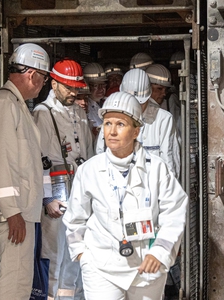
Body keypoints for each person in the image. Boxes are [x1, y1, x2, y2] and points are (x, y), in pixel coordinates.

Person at [63, 91, 188, 300]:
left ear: (136, 131)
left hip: (146, 267)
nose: (111, 131)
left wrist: (159, 251)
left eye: (120, 124)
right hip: (101, 268)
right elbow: (75, 218)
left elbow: (174, 212)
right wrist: (83, 256)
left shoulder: (157, 169)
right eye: (107, 123)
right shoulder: (89, 170)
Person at [0, 43, 50, 300]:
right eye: (43, 79)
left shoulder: (16, 105)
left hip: (23, 211)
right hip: (15, 213)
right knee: (15, 281)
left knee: (20, 279)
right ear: (32, 75)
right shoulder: (4, 104)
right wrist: (12, 212)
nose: (43, 86)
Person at [33, 58, 94, 300]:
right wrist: (47, 197)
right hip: (56, 194)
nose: (73, 92)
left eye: (76, 88)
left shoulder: (78, 112)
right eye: (68, 87)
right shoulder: (43, 113)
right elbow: (40, 160)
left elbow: (88, 154)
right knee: (53, 253)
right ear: (54, 84)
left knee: (76, 252)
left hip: (78, 191)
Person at [96, 68, 181, 179]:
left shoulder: (163, 119)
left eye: (139, 103)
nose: (134, 108)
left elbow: (170, 162)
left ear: (148, 96)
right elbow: (100, 155)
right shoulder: (112, 119)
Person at [83, 62, 108, 137]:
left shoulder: (105, 103)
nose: (101, 89)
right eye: (95, 85)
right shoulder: (84, 107)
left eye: (103, 84)